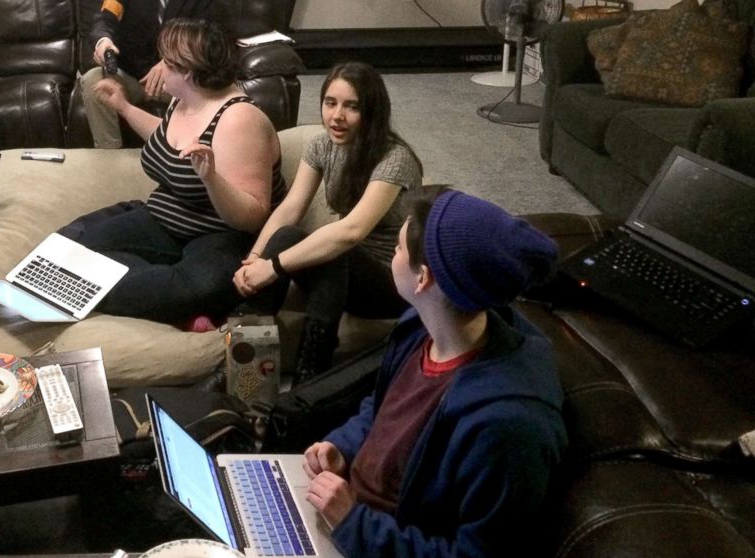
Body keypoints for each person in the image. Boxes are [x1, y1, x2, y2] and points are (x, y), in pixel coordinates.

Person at [301, 188, 567, 557]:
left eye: (396, 249)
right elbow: (383, 410)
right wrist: (344, 447)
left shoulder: (509, 426)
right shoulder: (421, 328)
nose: (392, 256)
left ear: (423, 278)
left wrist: (352, 523)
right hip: (346, 513)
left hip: (371, 539)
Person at [57, 18, 286, 327]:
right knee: (77, 253)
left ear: (188, 74)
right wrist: (124, 107)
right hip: (165, 219)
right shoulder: (184, 100)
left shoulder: (239, 119)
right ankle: (176, 302)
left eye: (167, 61)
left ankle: (178, 300)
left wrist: (211, 178)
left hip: (219, 236)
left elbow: (254, 215)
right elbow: (168, 139)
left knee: (195, 287)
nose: (160, 66)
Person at [233, 61, 423, 383]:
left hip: (393, 281)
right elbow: (290, 208)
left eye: (352, 107)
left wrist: (274, 266)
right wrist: (255, 259)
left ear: (372, 112)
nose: (337, 116)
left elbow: (352, 231)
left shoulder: (395, 159)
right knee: (290, 234)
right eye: (330, 103)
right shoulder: (322, 145)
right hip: (343, 273)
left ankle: (311, 375)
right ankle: (246, 374)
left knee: (336, 247)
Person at [80, 0, 228, 148]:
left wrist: (169, 62)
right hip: (131, 75)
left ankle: (183, 154)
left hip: (178, 79)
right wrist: (103, 41)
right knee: (94, 80)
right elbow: (105, 19)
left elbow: (210, 38)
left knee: (205, 89)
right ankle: (110, 158)